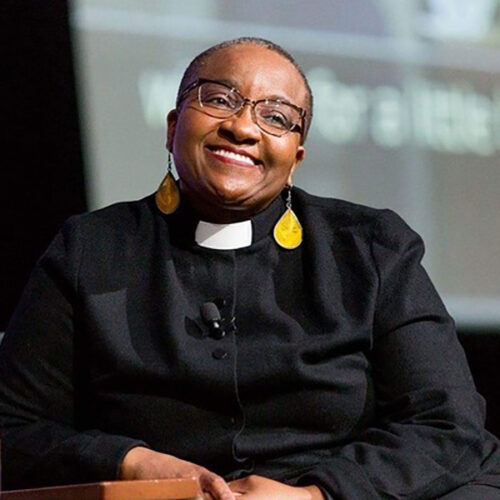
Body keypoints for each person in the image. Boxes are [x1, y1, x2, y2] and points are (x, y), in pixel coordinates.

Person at [1, 37, 500, 500]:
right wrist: (131, 463)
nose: (242, 127)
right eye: (219, 99)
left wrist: (317, 494)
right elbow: (12, 426)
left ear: (296, 157)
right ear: (174, 126)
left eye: (277, 118)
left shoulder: (370, 248)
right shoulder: (90, 249)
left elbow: (445, 423)